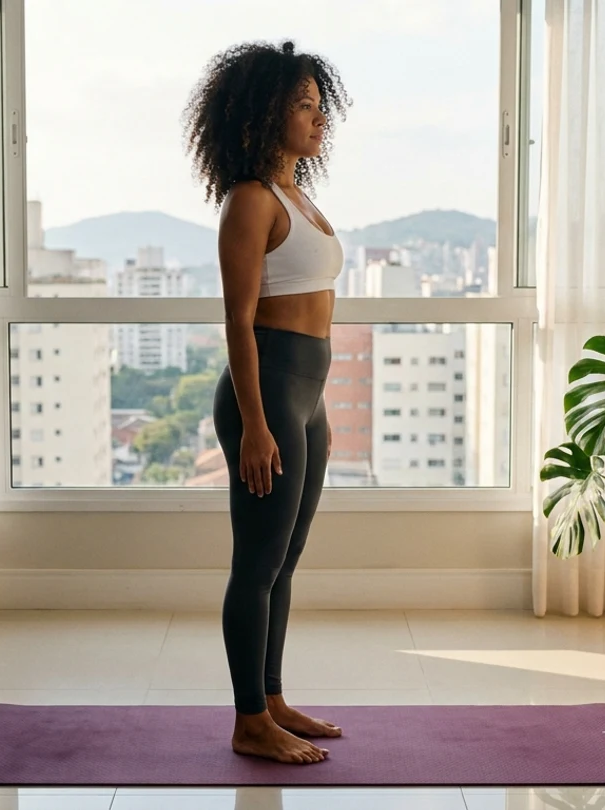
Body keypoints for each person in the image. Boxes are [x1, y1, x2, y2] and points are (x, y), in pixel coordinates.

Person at [182, 40, 351, 765]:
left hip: (305, 395)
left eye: (320, 104)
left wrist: (310, 410)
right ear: (262, 113)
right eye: (303, 105)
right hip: (269, 392)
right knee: (256, 562)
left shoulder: (300, 199)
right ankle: (249, 720)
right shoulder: (249, 201)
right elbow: (239, 321)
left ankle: (273, 697)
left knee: (286, 559)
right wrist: (254, 424)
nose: (319, 119)